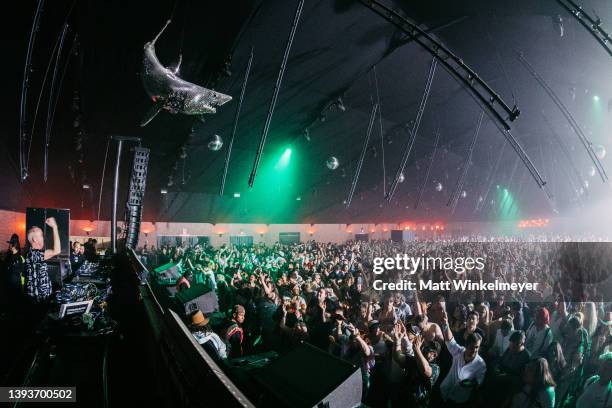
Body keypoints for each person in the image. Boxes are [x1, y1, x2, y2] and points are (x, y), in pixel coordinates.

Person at [439, 309, 487, 406]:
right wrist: (445, 324)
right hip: (444, 391)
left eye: (476, 347)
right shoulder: (459, 352)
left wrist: (470, 383)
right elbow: (450, 340)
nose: (474, 350)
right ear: (465, 345)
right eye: (471, 347)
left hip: (460, 400)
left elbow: (479, 381)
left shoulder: (481, 365)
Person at [24, 218, 61, 305]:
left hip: (40, 300)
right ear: (35, 240)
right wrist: (54, 227)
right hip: (39, 301)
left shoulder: (30, 253)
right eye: (41, 235)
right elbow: (57, 250)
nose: (43, 238)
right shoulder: (35, 254)